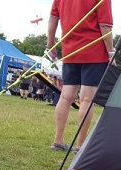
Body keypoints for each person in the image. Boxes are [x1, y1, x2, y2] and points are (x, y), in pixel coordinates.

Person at [46, 0, 113, 151]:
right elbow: (105, 25)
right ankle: (80, 145)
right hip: (93, 51)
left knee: (65, 96)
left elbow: (53, 19)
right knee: (87, 99)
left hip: (70, 50)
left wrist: (50, 44)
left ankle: (58, 140)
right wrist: (111, 52)